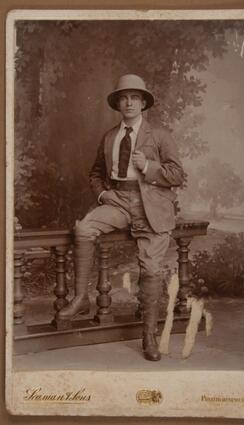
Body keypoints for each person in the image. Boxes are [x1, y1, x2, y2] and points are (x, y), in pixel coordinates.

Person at [59, 74, 186, 361]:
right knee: (83, 229)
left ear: (143, 103)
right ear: (117, 103)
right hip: (117, 200)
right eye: (123, 98)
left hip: (151, 205)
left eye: (134, 97)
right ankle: (80, 299)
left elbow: (177, 174)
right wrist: (103, 195)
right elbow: (94, 174)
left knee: (150, 268)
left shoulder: (161, 135)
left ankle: (149, 337)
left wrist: (150, 167)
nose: (129, 102)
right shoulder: (109, 137)